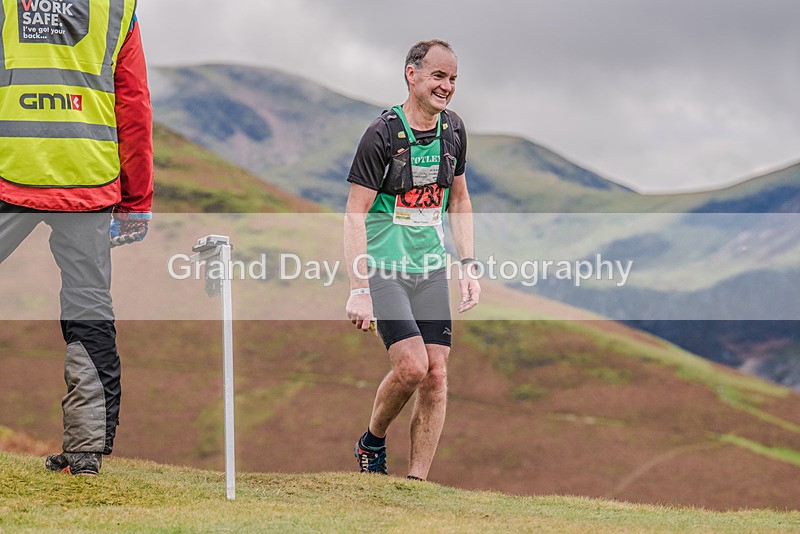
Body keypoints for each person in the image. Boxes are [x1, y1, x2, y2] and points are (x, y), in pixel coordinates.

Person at [0, 0, 153, 475]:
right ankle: (85, 454)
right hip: (88, 178)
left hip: (10, 170)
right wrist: (136, 199)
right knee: (89, 309)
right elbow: (133, 104)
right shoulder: (116, 8)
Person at [344, 39, 480, 481]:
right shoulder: (382, 134)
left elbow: (459, 200)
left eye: (453, 79)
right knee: (412, 367)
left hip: (430, 270)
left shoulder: (454, 130)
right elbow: (355, 213)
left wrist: (469, 266)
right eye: (438, 76)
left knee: (436, 375)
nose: (447, 86)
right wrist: (359, 289)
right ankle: (372, 441)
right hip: (385, 270)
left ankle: (417, 482)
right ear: (412, 75)